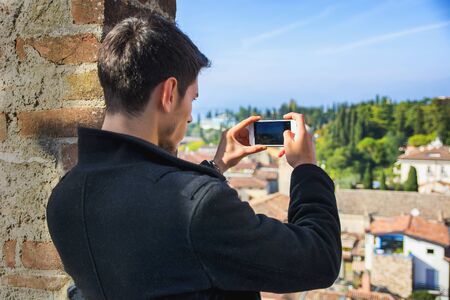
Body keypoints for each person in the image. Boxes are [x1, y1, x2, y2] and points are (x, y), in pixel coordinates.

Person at [46, 13, 341, 300]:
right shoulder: (198, 208)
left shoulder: (64, 197)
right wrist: (305, 168)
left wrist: (216, 165)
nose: (189, 116)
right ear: (169, 93)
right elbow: (319, 260)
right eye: (193, 99)